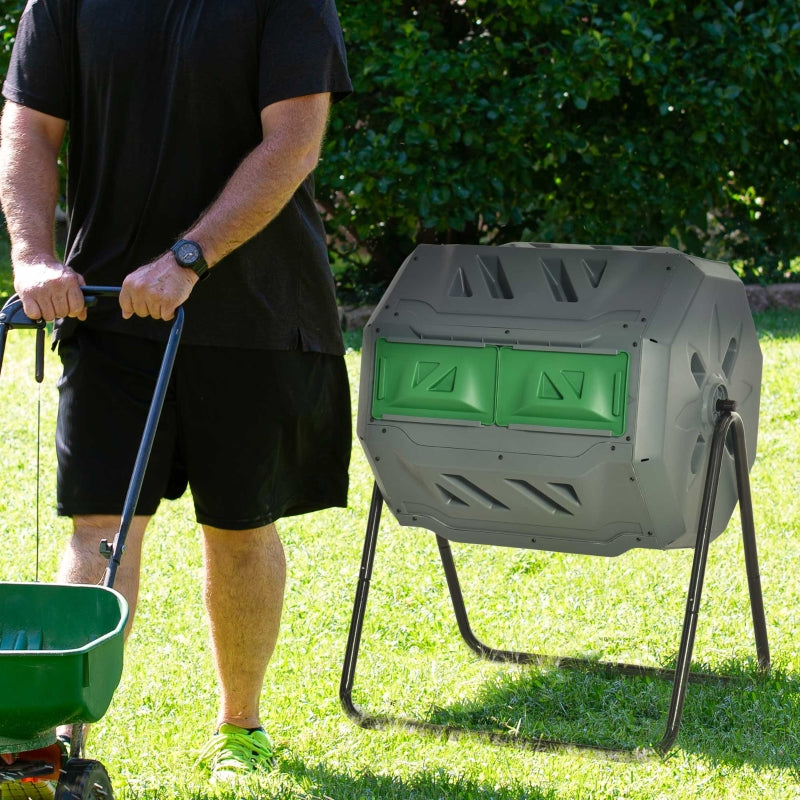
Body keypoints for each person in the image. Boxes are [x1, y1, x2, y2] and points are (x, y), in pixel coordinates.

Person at [0, 0, 352, 786]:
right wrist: (32, 255)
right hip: (107, 308)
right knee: (100, 528)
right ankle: (57, 744)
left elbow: (294, 140)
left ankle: (241, 727)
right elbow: (29, 124)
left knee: (239, 526)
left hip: (253, 312)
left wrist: (190, 257)